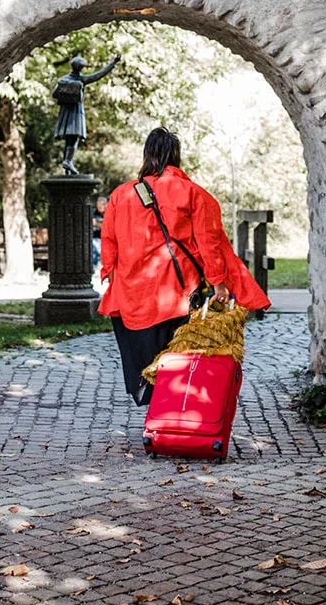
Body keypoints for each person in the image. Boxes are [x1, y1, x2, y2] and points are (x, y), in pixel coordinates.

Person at [97, 127, 269, 405]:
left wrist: (113, 277)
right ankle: (176, 421)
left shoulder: (121, 195)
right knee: (177, 367)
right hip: (176, 297)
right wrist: (218, 282)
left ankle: (158, 421)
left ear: (147, 155)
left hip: (132, 299)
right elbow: (208, 242)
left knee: (145, 372)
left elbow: (109, 245)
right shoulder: (194, 194)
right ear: (176, 156)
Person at [53, 55, 120, 174]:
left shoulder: (63, 80)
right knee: (74, 138)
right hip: (76, 113)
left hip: (65, 113)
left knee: (68, 140)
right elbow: (99, 75)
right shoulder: (81, 80)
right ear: (81, 69)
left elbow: (54, 94)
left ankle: (67, 164)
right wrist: (113, 62)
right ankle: (68, 161)